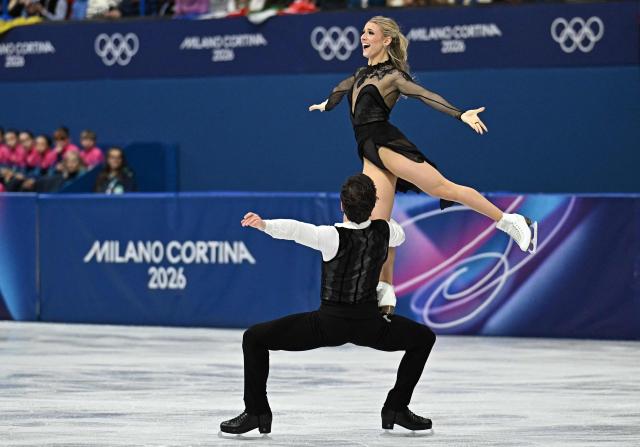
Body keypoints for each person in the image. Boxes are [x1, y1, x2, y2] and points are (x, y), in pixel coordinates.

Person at [308, 16, 537, 314]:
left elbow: (424, 95)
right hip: (368, 149)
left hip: (385, 144)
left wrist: (460, 114)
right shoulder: (361, 73)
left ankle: (510, 221)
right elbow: (342, 87)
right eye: (362, 32)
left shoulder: (392, 76)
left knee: (444, 188)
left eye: (370, 32)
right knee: (377, 226)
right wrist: (327, 103)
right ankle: (386, 289)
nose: (363, 37)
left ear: (386, 40)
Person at [220, 174, 436, 435]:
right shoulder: (386, 230)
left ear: (341, 205)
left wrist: (264, 224)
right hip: (371, 326)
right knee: (423, 338)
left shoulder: (330, 236)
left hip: (327, 325)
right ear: (373, 205)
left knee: (254, 338)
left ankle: (256, 413)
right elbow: (398, 236)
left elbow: (295, 230)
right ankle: (396, 407)